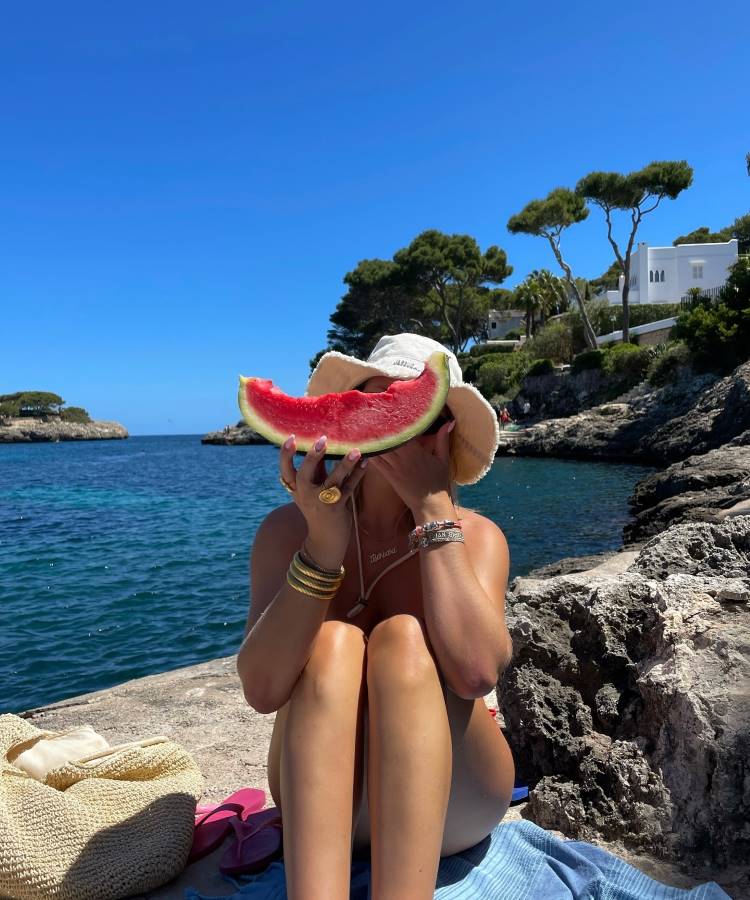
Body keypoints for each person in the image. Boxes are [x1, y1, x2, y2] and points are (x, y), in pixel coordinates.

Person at [237, 334, 515, 900]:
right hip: (320, 800)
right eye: (371, 403)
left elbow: (477, 673)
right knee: (335, 642)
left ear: (446, 432)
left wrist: (433, 510)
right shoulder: (283, 533)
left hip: (457, 801)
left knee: (401, 639)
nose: (386, 421)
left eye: (407, 406)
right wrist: (321, 547)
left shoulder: (479, 536)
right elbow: (263, 690)